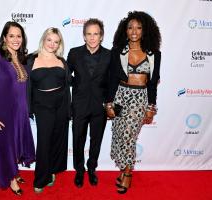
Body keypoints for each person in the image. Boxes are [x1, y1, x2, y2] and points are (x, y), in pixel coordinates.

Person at [106, 11, 162, 194]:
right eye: (130, 27)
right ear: (125, 31)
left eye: (138, 27)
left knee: (129, 136)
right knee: (120, 134)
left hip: (140, 98)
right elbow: (112, 80)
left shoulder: (154, 54)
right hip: (121, 96)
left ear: (145, 30)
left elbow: (153, 84)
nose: (134, 31)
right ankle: (124, 169)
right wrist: (109, 104)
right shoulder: (118, 52)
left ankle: (128, 174)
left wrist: (151, 107)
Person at [0, 21, 35, 196]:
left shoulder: (21, 58)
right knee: (9, 146)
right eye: (11, 36)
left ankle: (15, 172)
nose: (16, 39)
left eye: (19, 36)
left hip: (20, 112)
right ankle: (11, 179)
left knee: (17, 144)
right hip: (5, 114)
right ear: (4, 38)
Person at [67, 18, 111, 188]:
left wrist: (109, 103)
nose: (92, 37)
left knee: (96, 140)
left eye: (96, 34)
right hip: (79, 105)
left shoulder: (109, 55)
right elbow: (64, 76)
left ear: (101, 36)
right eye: (89, 34)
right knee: (78, 139)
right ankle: (79, 170)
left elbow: (111, 82)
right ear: (84, 36)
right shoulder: (74, 53)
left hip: (100, 106)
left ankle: (91, 169)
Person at [27, 27, 71, 193]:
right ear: (43, 39)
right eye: (49, 40)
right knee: (44, 141)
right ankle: (40, 179)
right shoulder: (30, 59)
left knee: (58, 138)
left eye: (56, 41)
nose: (52, 44)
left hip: (61, 103)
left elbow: (68, 83)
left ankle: (52, 171)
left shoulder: (62, 61)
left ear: (59, 44)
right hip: (42, 105)